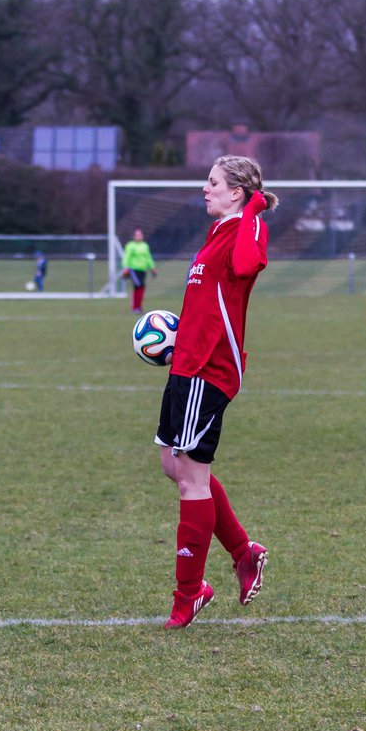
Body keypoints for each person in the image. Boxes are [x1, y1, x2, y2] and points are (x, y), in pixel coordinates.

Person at [156, 155, 277, 628]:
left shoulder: (248, 227)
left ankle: (189, 594)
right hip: (187, 363)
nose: (204, 189)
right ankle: (244, 552)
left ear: (236, 192)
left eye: (213, 183)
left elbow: (247, 267)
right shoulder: (216, 232)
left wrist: (254, 210)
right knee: (175, 464)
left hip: (211, 369)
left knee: (191, 478)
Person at [122, 227, 157, 314]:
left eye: (140, 235)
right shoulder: (130, 245)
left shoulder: (145, 246)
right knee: (138, 285)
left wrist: (152, 267)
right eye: (137, 235)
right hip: (133, 269)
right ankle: (135, 307)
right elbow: (127, 257)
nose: (138, 236)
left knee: (141, 287)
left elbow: (148, 258)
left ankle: (138, 307)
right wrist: (126, 267)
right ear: (134, 236)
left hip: (143, 270)